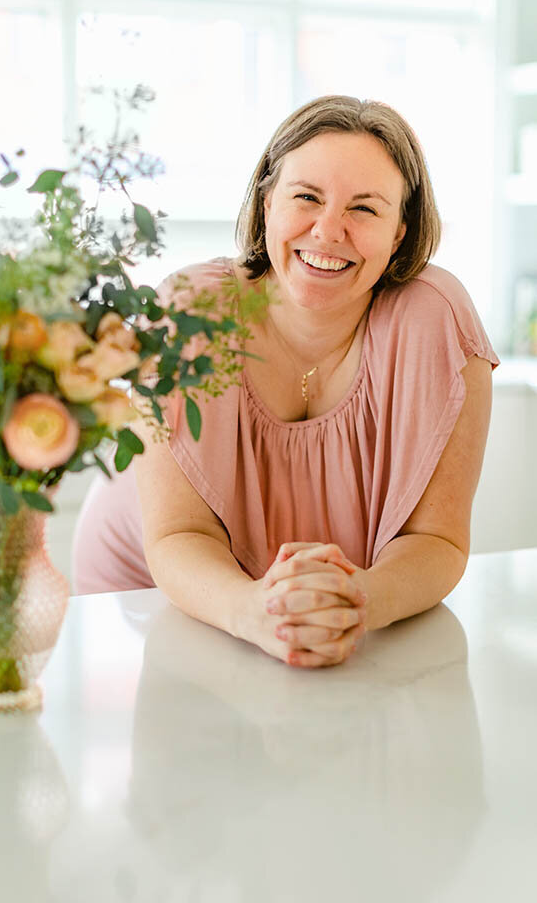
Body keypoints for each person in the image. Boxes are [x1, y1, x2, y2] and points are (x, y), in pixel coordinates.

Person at [73, 94, 499, 668]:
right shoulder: (187, 310)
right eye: (306, 197)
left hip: (321, 609)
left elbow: (438, 540)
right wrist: (253, 610)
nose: (328, 230)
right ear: (267, 202)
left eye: (365, 209)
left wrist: (357, 602)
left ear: (400, 232)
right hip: (151, 594)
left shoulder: (437, 321)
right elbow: (178, 535)